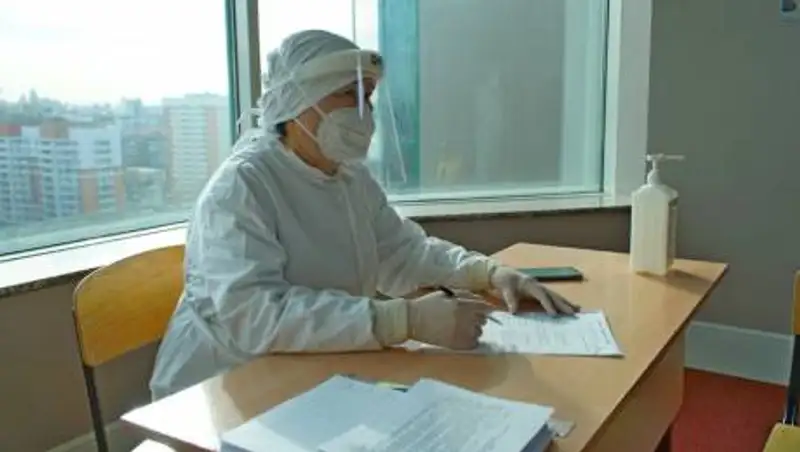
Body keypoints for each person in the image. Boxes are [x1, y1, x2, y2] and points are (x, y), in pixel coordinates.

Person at [149, 29, 578, 400]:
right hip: (224, 384)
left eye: (368, 96)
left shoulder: (349, 177)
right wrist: (402, 320)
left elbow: (403, 252)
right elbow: (256, 317)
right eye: (348, 94)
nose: (364, 112)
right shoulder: (241, 187)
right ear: (296, 99)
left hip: (315, 369)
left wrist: (488, 273)